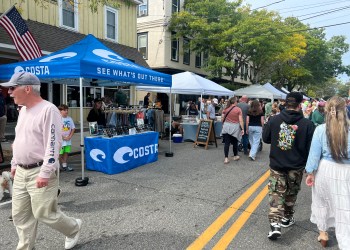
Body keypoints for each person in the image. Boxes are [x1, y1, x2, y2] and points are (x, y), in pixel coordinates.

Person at [1, 72, 82, 250]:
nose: (10, 92)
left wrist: (45, 172)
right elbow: (20, 139)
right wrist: (14, 163)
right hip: (21, 171)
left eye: (13, 88)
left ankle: (73, 228)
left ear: (27, 89)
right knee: (20, 216)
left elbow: (53, 144)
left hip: (40, 170)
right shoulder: (22, 110)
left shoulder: (49, 110)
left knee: (45, 213)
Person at [262, 92, 315, 240]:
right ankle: (287, 217)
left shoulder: (274, 119)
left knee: (276, 193)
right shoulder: (308, 124)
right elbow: (311, 148)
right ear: (300, 105)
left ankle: (275, 224)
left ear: (286, 103)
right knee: (291, 193)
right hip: (296, 165)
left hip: (277, 164)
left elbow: (265, 139)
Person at [305, 96, 350, 249]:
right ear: (345, 109)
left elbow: (314, 155)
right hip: (346, 171)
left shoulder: (320, 129)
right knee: (345, 205)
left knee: (322, 202)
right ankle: (346, 240)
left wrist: (310, 173)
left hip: (325, 169)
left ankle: (323, 233)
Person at [221, 96, 244, 164]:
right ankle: (235, 156)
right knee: (235, 142)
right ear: (235, 102)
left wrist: (223, 124)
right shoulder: (238, 109)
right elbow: (241, 120)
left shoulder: (226, 109)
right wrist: (242, 128)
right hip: (235, 127)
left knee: (227, 143)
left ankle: (226, 158)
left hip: (226, 126)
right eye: (237, 101)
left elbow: (222, 118)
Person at [58, 104, 75, 172]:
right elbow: (56, 129)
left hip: (68, 139)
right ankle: (58, 166)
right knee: (60, 153)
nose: (66, 111)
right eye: (64, 110)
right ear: (60, 111)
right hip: (61, 140)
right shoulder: (58, 119)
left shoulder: (69, 118)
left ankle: (64, 165)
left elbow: (73, 128)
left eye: (67, 110)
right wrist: (62, 137)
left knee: (66, 152)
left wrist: (70, 136)